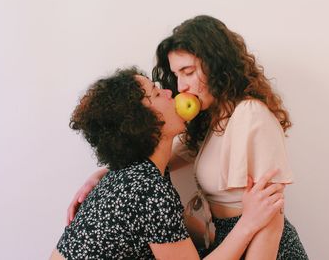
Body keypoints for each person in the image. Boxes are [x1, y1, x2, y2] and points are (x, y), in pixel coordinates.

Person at [67, 15, 308, 259]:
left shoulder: (250, 115)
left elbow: (271, 217)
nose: (180, 86)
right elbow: (154, 157)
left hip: (264, 248)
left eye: (188, 71)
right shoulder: (207, 121)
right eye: (176, 74)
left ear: (217, 66)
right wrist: (102, 175)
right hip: (231, 241)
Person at [51, 67, 285, 260]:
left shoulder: (137, 176)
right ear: (141, 122)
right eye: (155, 93)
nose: (168, 93)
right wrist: (249, 223)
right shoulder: (148, 189)